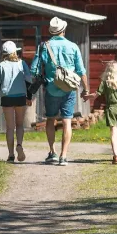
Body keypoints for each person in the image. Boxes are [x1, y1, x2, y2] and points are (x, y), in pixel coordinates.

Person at [34, 17, 90, 167]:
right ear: (63, 30)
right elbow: (81, 71)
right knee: (67, 121)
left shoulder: (43, 47)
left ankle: (52, 152)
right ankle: (63, 156)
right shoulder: (73, 46)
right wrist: (86, 89)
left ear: (51, 31)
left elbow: (35, 70)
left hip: (51, 89)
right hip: (69, 89)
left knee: (50, 119)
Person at [0, 40, 32, 163]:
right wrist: (29, 97)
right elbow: (28, 81)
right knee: (19, 124)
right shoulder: (22, 64)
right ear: (15, 51)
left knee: (10, 128)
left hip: (7, 98)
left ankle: (10, 155)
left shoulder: (0, 66)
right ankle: (19, 145)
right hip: (20, 97)